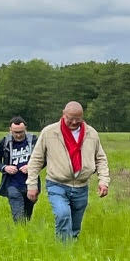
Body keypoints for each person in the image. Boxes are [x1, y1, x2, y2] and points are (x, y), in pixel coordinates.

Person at [26, 101, 110, 242]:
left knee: (75, 227)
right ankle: (64, 250)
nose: (74, 122)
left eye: (78, 119)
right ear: (63, 114)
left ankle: (72, 249)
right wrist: (32, 185)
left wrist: (104, 181)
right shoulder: (49, 132)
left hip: (81, 187)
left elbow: (100, 159)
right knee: (63, 215)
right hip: (57, 184)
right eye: (70, 119)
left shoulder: (91, 133)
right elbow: (36, 160)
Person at [0, 116, 38, 222]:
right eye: (15, 132)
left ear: (25, 128)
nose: (18, 135)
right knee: (18, 215)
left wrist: (31, 167)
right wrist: (5, 167)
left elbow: (44, 159)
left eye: (21, 132)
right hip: (12, 183)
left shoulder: (34, 141)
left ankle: (23, 234)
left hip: (31, 183)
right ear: (10, 130)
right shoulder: (5, 142)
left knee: (27, 215)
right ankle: (19, 229)